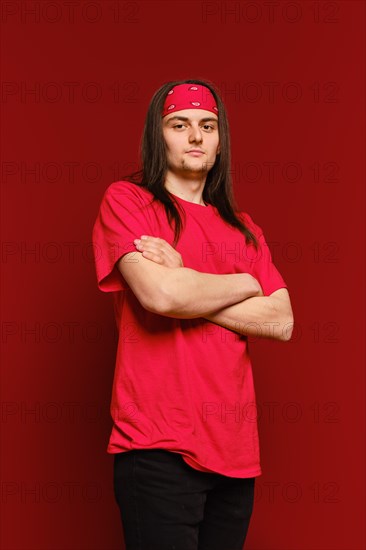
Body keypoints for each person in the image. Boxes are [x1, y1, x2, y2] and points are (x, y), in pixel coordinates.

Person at [92, 78, 294, 550]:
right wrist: (247, 284)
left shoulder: (244, 230)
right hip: (158, 448)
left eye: (208, 125)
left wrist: (189, 279)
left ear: (221, 139)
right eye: (179, 125)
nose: (196, 137)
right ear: (157, 136)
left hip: (236, 455)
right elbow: (161, 297)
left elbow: (282, 321)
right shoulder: (128, 202)